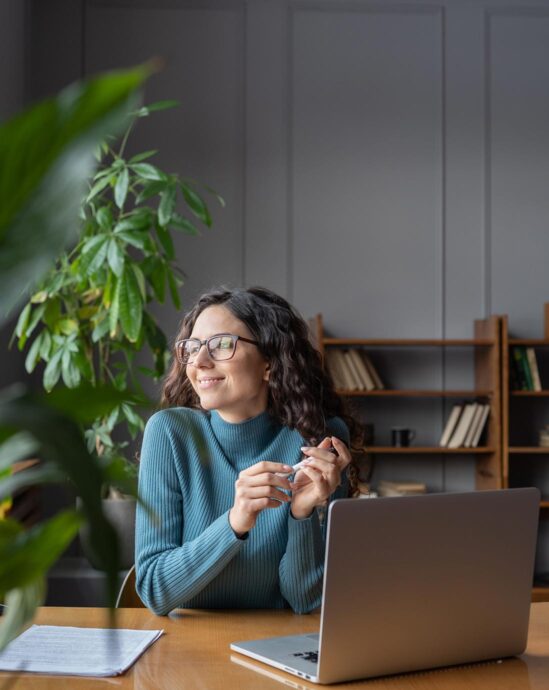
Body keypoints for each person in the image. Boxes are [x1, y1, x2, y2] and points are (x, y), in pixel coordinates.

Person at [135, 286, 359, 616]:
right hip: (185, 645)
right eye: (192, 348)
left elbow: (307, 601)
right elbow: (155, 590)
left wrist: (302, 514)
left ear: (269, 362)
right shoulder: (169, 433)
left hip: (277, 646)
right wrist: (235, 521)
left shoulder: (320, 441)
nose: (199, 361)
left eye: (222, 345)